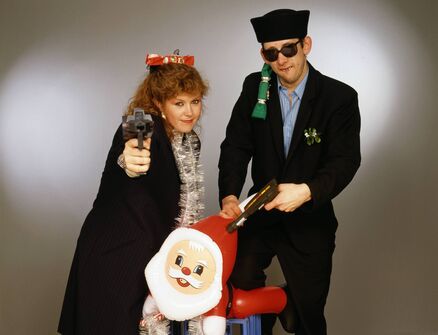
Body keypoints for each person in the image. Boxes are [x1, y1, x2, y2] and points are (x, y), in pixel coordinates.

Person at [218, 9, 361, 335]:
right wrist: (228, 193)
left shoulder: (339, 98)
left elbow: (345, 160)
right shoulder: (255, 86)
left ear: (306, 44)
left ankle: (292, 301)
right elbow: (237, 146)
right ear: (263, 54)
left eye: (289, 49)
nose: (281, 59)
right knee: (238, 282)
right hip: (261, 210)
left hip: (310, 218)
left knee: (309, 316)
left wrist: (307, 191)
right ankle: (275, 308)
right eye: (272, 52)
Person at [58, 53, 208, 335]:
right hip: (115, 255)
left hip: (151, 256)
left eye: (195, 101)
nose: (190, 112)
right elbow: (135, 141)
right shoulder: (143, 122)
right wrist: (131, 160)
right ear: (158, 103)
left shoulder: (190, 141)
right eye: (179, 103)